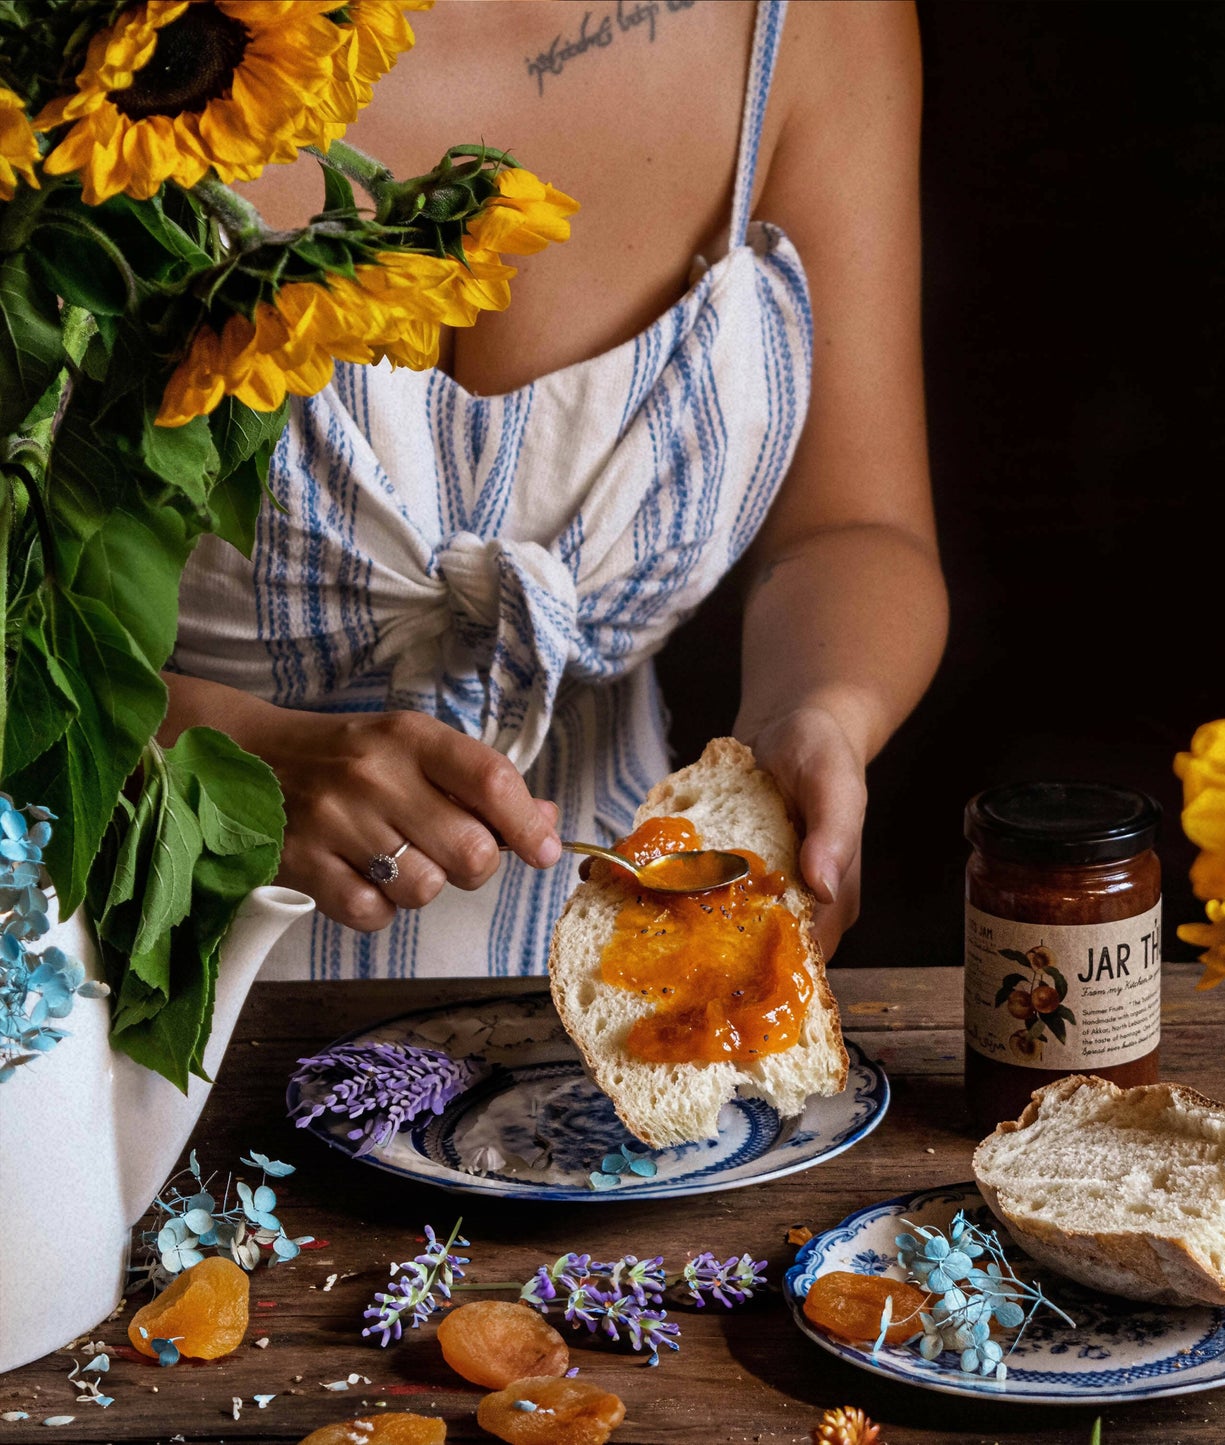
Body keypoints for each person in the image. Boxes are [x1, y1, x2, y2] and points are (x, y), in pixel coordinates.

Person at [160, 0, 948, 980]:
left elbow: (851, 524)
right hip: (102, 1032)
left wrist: (819, 711)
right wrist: (206, 743)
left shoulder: (807, 21)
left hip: (603, 1032)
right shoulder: (94, 55)